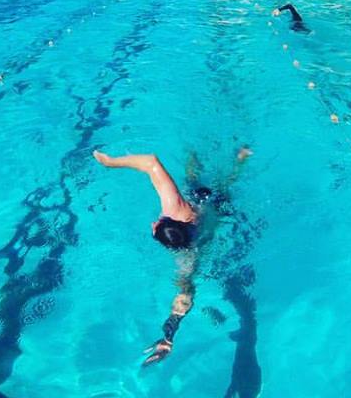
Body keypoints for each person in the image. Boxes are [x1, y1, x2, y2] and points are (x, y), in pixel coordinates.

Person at [92, 148, 247, 365]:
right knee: (210, 185)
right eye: (156, 225)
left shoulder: (187, 257)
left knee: (217, 184)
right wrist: (112, 162)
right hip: (205, 205)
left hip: (214, 207)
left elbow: (185, 295)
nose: (153, 223)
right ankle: (228, 157)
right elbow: (151, 161)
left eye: (155, 227)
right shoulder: (176, 210)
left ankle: (238, 159)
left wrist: (169, 335)